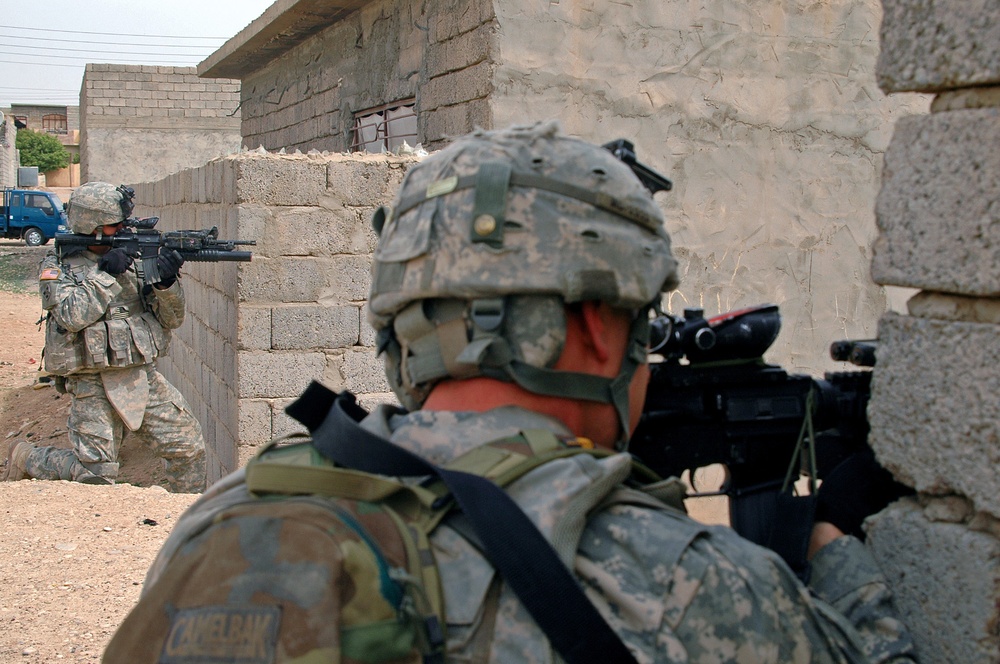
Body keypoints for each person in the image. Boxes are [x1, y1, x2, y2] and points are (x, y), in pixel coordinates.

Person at [109, 122, 915, 661]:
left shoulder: (225, 519)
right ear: (601, 327)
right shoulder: (685, 582)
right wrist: (834, 549)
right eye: (642, 319)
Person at [2, 181, 206, 493]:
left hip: (138, 376)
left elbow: (172, 319)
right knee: (95, 475)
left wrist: (165, 284)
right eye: (115, 225)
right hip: (91, 379)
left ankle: (182, 521)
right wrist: (105, 275)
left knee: (188, 449)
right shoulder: (58, 266)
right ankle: (28, 459)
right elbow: (71, 316)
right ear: (91, 226)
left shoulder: (135, 261)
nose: (123, 229)